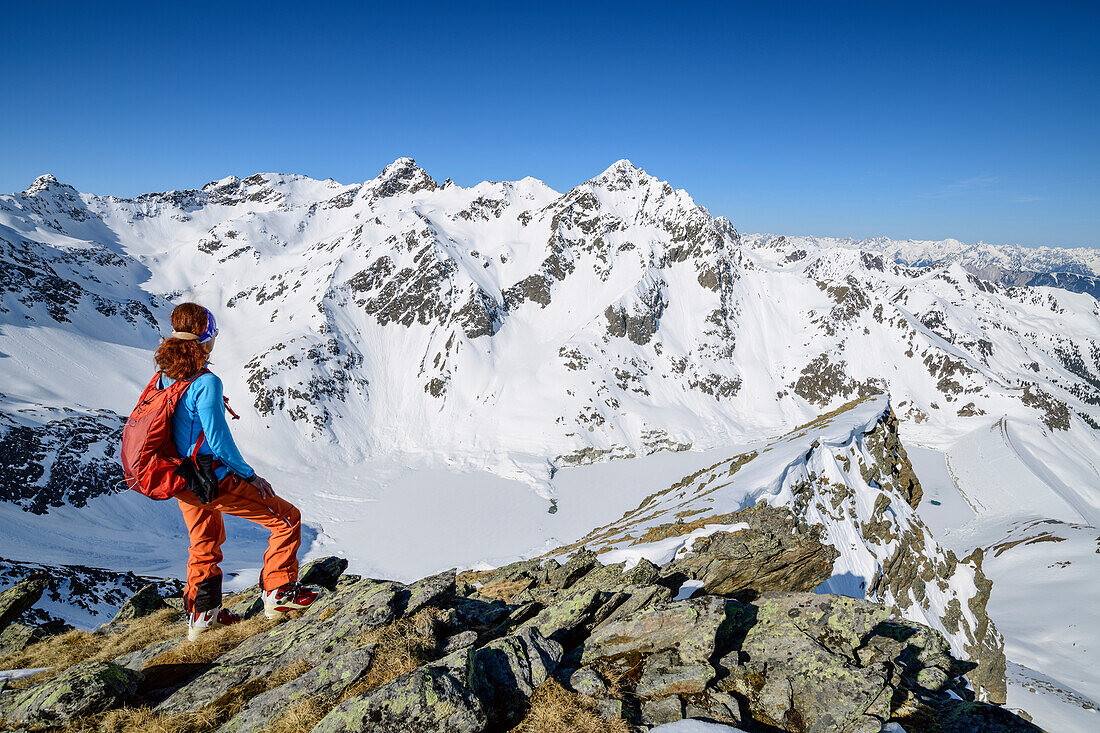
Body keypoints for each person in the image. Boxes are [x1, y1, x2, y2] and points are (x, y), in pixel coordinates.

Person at [153, 302, 317, 640]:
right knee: (286, 518)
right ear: (207, 338)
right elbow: (218, 440)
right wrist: (249, 476)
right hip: (210, 476)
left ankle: (202, 618)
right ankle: (280, 594)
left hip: (181, 479)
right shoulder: (206, 382)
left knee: (204, 542)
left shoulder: (165, 377)